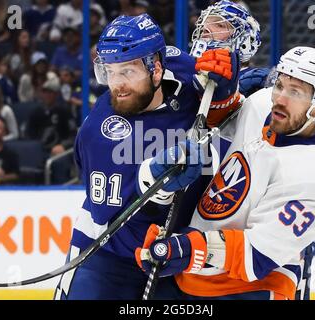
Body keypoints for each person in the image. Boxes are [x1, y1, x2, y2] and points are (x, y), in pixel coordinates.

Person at [136, 46, 315, 300]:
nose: (279, 98)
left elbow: (256, 256)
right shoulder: (263, 104)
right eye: (280, 85)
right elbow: (225, 122)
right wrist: (222, 95)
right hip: (195, 277)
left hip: (252, 289)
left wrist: (187, 248)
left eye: (295, 92)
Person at [54, 13, 240, 300]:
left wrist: (227, 93)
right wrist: (157, 179)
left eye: (127, 71)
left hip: (173, 257)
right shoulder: (99, 135)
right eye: (110, 72)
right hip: (107, 258)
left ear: (156, 68)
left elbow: (222, 111)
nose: (117, 84)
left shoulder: (179, 65)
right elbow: (117, 216)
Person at [191, 0, 269, 99]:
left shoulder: (254, 83)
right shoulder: (188, 69)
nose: (205, 28)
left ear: (244, 42)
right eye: (205, 23)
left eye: (220, 25)